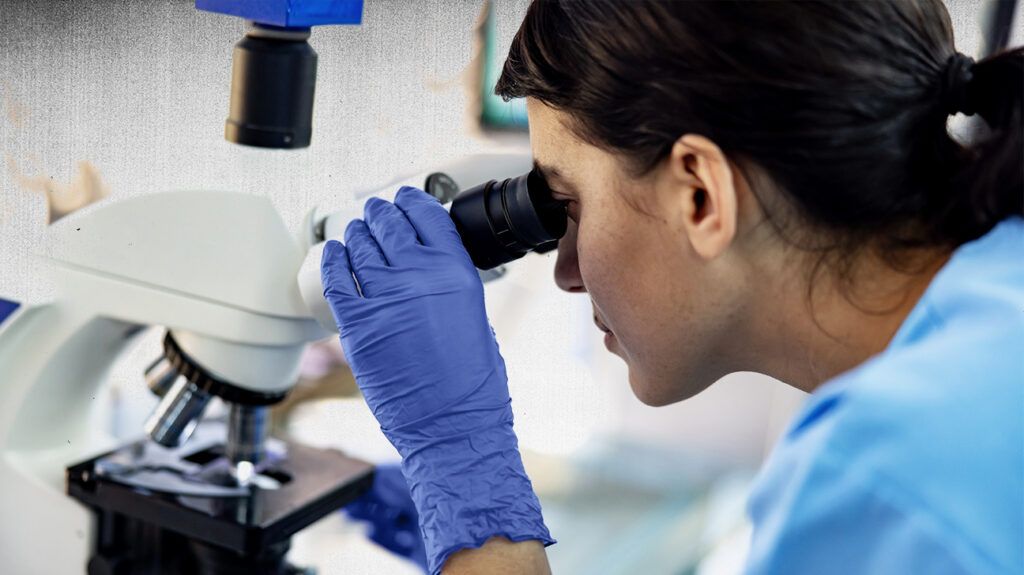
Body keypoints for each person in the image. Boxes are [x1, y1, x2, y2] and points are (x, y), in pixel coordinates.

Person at [321, 1, 1024, 573]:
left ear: (700, 195)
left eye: (566, 207)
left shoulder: (887, 477)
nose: (564, 272)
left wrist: (468, 488)